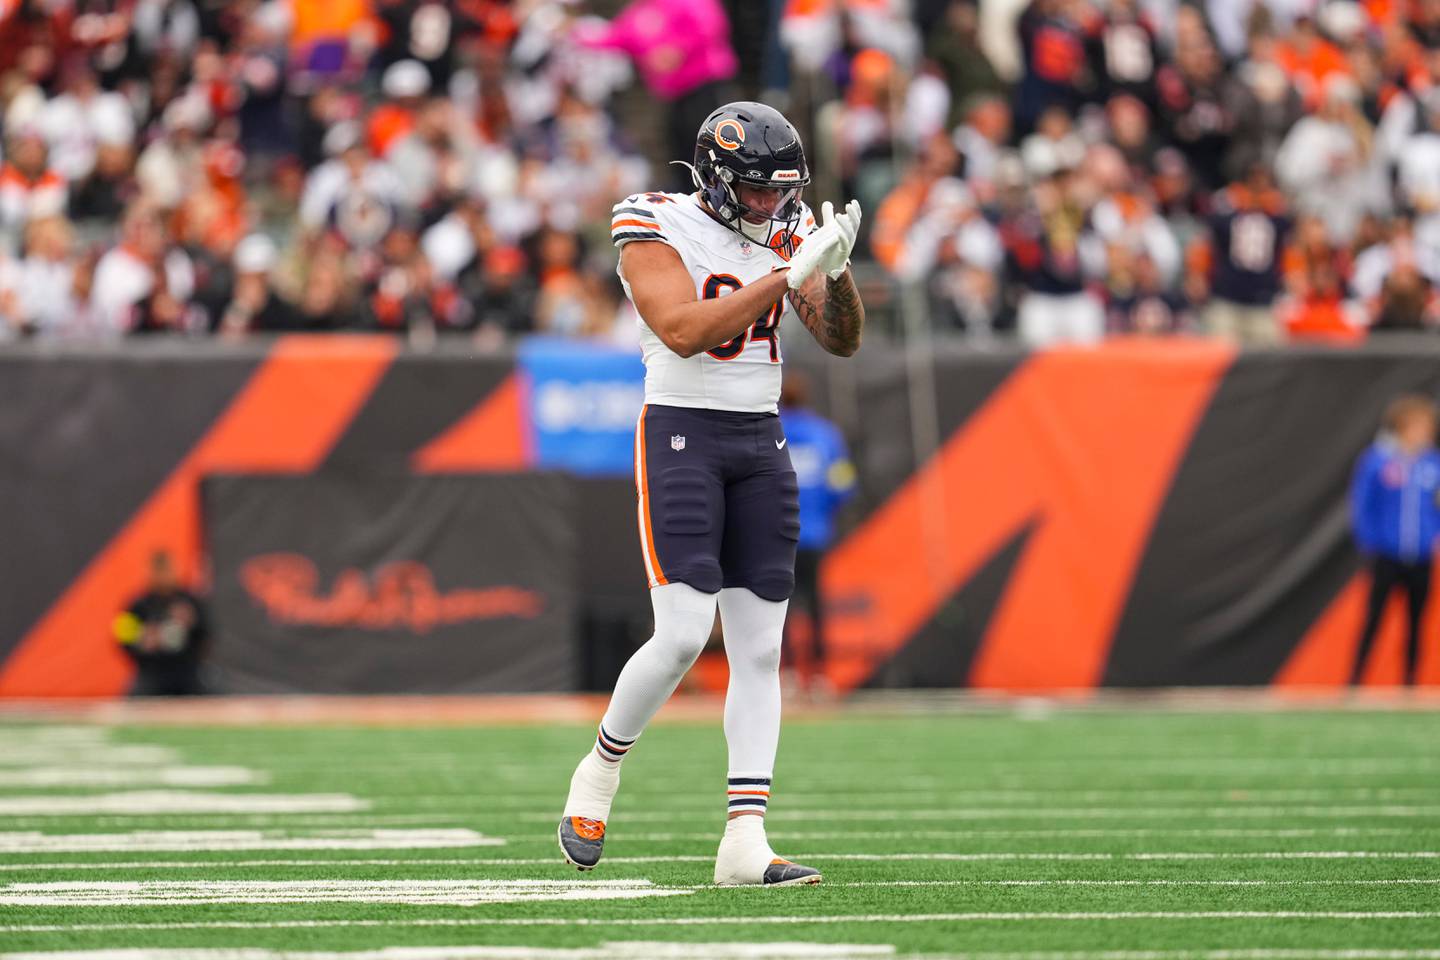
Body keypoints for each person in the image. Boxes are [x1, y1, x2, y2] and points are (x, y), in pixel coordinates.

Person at [557, 102, 865, 887]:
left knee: (761, 649)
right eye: (756, 191)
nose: (771, 206)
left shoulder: (788, 234)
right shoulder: (653, 218)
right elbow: (683, 329)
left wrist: (833, 272)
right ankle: (598, 772)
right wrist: (783, 276)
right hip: (682, 432)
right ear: (718, 179)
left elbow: (840, 336)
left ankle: (744, 841)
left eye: (781, 192)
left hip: (761, 439)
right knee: (686, 633)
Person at [1349, 395, 1440, 686]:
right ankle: (1355, 680)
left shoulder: (1432, 464)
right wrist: (1371, 543)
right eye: (1419, 426)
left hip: (1421, 556)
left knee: (1416, 622)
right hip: (1387, 555)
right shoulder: (1378, 460)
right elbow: (1363, 505)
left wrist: (1433, 538)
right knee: (1374, 618)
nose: (1425, 432)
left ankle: (1410, 681)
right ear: (1402, 426)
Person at [779, 373, 856, 687]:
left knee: (778, 606)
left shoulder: (770, 430)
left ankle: (787, 673)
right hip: (815, 533)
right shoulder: (826, 435)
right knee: (815, 604)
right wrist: (823, 512)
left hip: (778, 535)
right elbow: (844, 485)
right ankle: (821, 674)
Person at [112, 551, 210, 697]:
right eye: (158, 571)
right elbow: (121, 637)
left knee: (207, 699)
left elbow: (206, 633)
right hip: (152, 673)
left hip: (185, 672)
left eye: (166, 570)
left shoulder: (188, 602)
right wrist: (142, 640)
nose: (163, 577)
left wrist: (191, 623)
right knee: (136, 699)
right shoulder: (139, 605)